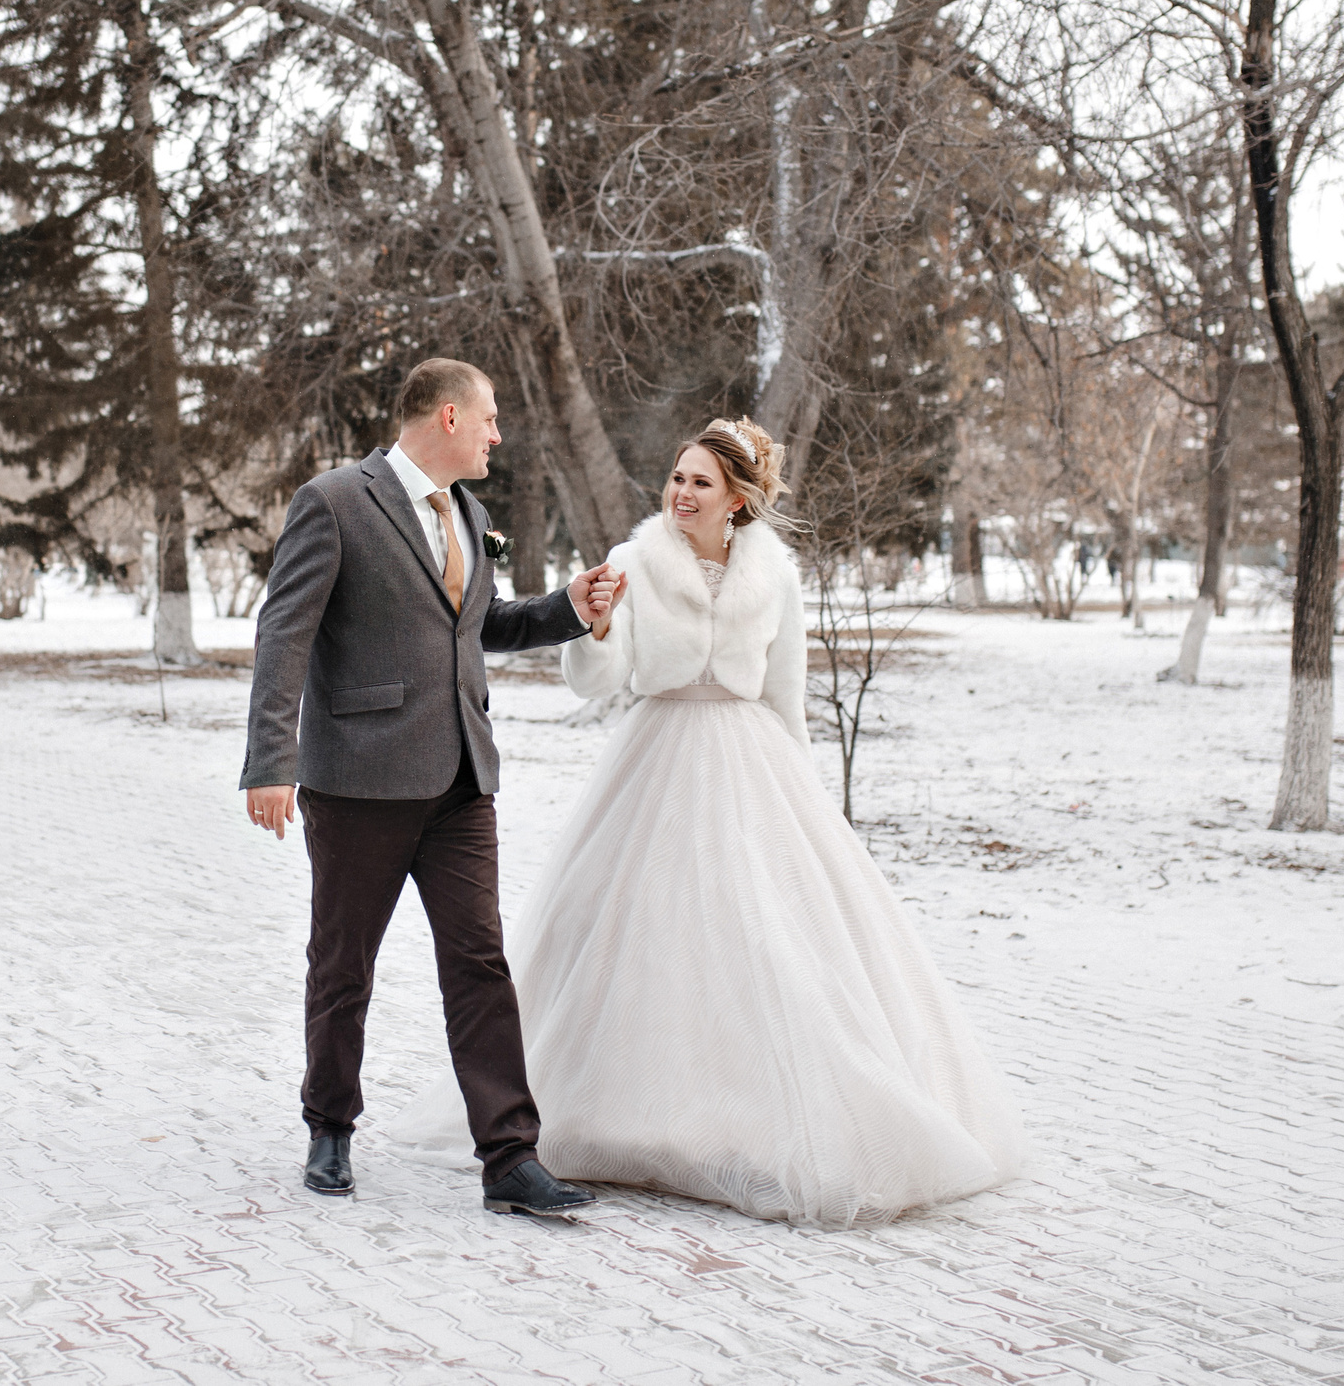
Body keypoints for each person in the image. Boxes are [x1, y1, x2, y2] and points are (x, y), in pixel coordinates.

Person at [382, 416, 1024, 1226]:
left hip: (756, 762)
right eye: (677, 477)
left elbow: (784, 691)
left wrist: (805, 800)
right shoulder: (633, 560)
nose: (682, 493)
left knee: (765, 940)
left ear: (738, 501)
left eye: (701, 483)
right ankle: (627, 1121)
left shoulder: (777, 575)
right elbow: (598, 678)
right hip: (659, 754)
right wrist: (599, 624)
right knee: (643, 937)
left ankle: (745, 1118)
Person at [241, 358, 623, 1215]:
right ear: (447, 416)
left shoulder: (469, 513)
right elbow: (283, 635)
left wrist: (570, 604)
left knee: (480, 966)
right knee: (344, 965)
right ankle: (330, 1126)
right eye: (489, 418)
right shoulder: (336, 501)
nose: (497, 434)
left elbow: (477, 626)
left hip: (460, 783)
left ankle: (510, 1157)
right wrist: (272, 761)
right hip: (359, 783)